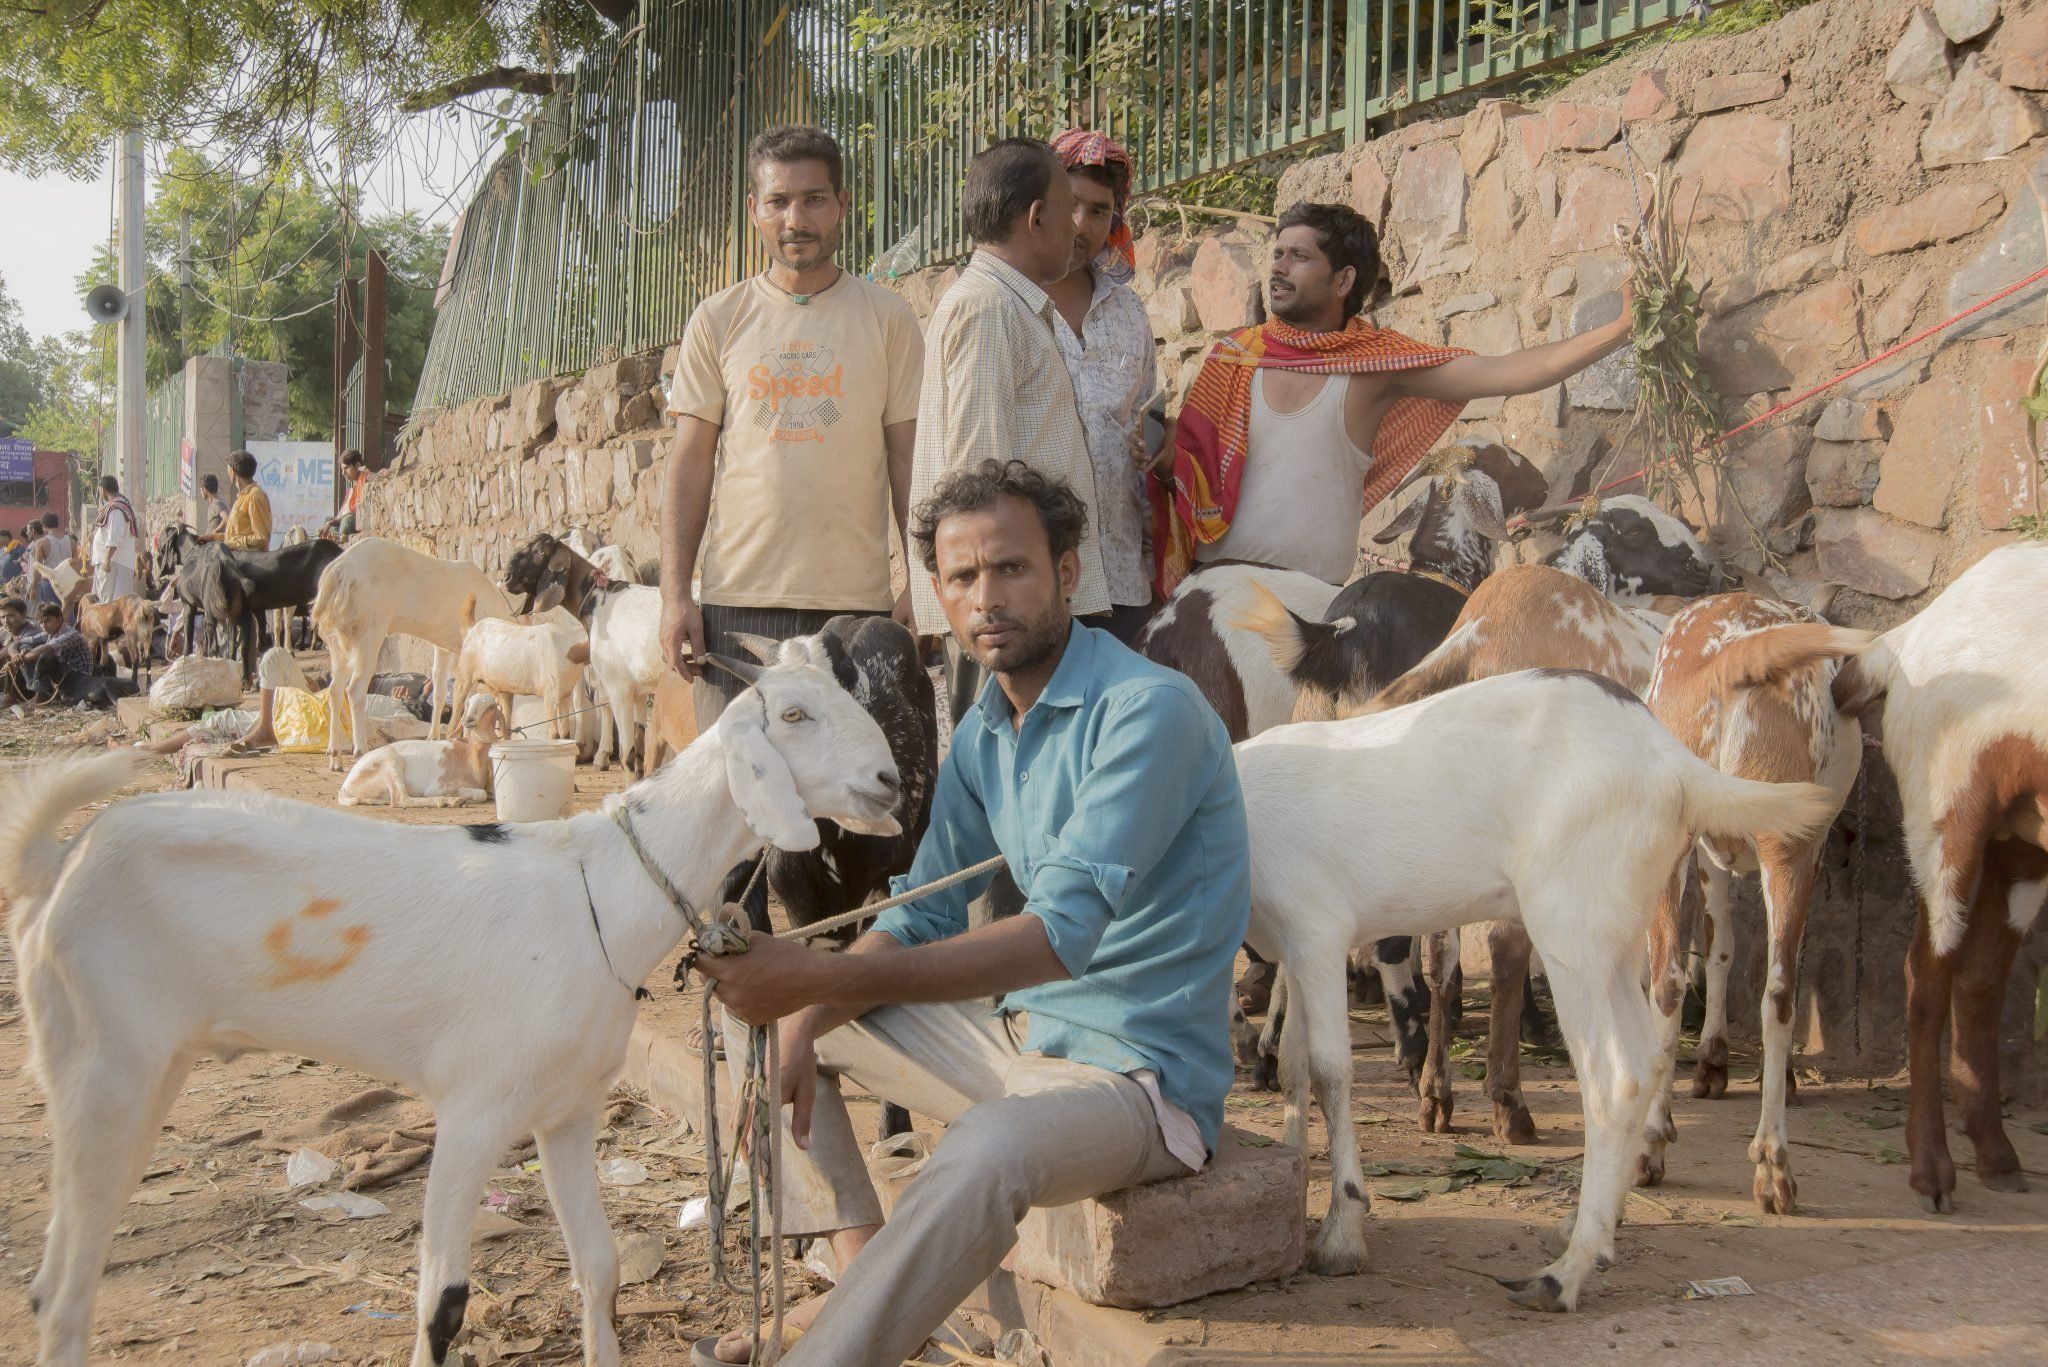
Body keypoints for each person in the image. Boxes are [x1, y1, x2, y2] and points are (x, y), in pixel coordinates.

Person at [693, 460, 1250, 1367]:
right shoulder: (989, 727)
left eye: (1011, 568)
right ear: (940, 596)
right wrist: (809, 1008)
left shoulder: (1148, 712)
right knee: (763, 1018)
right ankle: (864, 1274)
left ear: (1067, 573)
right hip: (1019, 1040)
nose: (986, 598)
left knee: (988, 1143)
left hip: (1139, 1085)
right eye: (961, 577)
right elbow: (920, 914)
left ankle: (831, 1352)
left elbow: (1057, 937)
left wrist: (823, 975)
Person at [1161, 200, 1634, 592]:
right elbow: (1185, 470)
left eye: (1299, 257)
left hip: (1307, 614)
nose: (1279, 269)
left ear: (1343, 281)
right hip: (1207, 596)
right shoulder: (1232, 358)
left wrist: (1620, 330)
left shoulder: (1374, 369)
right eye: (1278, 254)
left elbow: (1504, 372)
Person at [659, 125, 924, 730]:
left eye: (814, 199)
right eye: (778, 201)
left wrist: (921, 579)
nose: (795, 220)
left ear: (842, 204)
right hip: (736, 608)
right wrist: (675, 596)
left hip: (856, 612)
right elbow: (690, 464)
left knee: (853, 789)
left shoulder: (888, 319)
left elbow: (908, 458)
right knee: (741, 785)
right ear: (755, 209)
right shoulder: (718, 319)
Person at [908, 137, 1112, 722]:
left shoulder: (1004, 304)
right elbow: (978, 485)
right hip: (1004, 615)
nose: (1077, 226)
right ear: (1037, 217)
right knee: (1008, 757)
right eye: (1068, 208)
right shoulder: (990, 308)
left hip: (1014, 606)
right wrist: (999, 603)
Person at [1044, 128, 1163, 646]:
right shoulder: (1006, 305)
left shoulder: (1129, 311)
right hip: (1036, 579)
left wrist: (1155, 447)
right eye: (1070, 205)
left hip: (1121, 576)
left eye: (1099, 211)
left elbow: (1146, 418)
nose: (1082, 224)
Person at [10, 601, 92, 702]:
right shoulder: (48, 633)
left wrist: (22, 658)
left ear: (59, 619)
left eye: (47, 621)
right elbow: (16, 643)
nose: (43, 625)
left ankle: (41, 695)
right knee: (23, 647)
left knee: (46, 657)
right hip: (62, 677)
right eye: (41, 622)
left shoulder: (70, 634)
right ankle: (33, 692)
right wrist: (15, 655)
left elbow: (46, 648)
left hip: (80, 679)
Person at [199, 450, 272, 551]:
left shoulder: (255, 496)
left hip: (249, 559)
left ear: (233, 472)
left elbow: (261, 538)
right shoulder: (242, 496)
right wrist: (212, 538)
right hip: (235, 557)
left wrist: (229, 544)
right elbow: (234, 537)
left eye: (228, 469)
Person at [88, 477, 138, 601]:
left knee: (109, 604)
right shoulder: (119, 507)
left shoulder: (117, 509)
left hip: (112, 564)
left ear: (102, 489)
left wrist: (107, 560)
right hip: (115, 564)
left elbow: (113, 538)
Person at [321, 449, 369, 538]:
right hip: (350, 518)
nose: (343, 473)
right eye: (342, 470)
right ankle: (337, 537)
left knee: (347, 520)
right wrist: (330, 523)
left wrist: (332, 523)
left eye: (346, 468)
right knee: (327, 520)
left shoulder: (365, 476)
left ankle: (341, 540)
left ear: (357, 466)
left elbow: (354, 513)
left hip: (361, 520)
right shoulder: (355, 484)